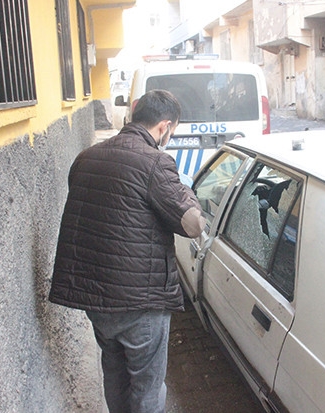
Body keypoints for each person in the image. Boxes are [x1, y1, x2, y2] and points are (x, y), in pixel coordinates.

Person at [49, 89, 205, 413]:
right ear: (164, 127)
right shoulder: (156, 163)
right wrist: (186, 193)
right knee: (147, 387)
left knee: (115, 375)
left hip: (94, 296)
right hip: (140, 301)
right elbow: (192, 224)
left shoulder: (86, 157)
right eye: (171, 131)